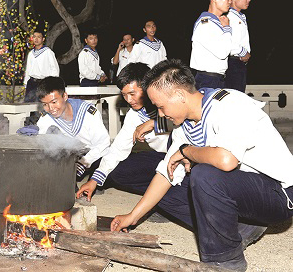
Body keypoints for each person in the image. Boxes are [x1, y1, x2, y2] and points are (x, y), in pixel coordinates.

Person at [111, 59, 293, 271]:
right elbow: (165, 173)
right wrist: (132, 217)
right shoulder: (184, 125)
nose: (160, 115)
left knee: (203, 175)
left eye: (161, 107)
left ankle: (225, 261)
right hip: (244, 191)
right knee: (166, 191)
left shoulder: (228, 104)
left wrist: (186, 151)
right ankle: (240, 228)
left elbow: (227, 160)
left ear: (179, 96)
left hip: (280, 194)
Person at [77, 62, 170, 201]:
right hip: (161, 157)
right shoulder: (134, 115)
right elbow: (118, 148)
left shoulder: (169, 100)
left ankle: (167, 197)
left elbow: (188, 125)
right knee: (116, 172)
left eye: (132, 93)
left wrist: (154, 123)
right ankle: (159, 194)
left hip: (185, 156)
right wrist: (94, 181)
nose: (129, 100)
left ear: (147, 87)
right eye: (124, 95)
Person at [35, 76, 110, 180]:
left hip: (93, 154)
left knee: (105, 170)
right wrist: (30, 134)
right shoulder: (47, 118)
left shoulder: (87, 112)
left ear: (65, 96)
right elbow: (40, 143)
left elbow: (103, 144)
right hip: (71, 157)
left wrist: (83, 162)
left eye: (54, 102)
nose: (51, 109)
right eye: (45, 104)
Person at [190, 0, 247, 89]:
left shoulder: (216, 22)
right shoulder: (205, 23)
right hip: (207, 80)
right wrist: (227, 29)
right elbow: (222, 51)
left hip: (217, 79)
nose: (230, 1)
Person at [225, 0, 252, 92]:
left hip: (238, 64)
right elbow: (228, 42)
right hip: (232, 63)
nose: (249, 0)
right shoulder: (229, 16)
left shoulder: (240, 16)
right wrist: (243, 52)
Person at [23, 30, 60, 102]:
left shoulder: (48, 52)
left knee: (42, 105)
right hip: (32, 83)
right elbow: (28, 69)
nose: (36, 39)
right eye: (34, 37)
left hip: (43, 83)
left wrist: (52, 84)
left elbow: (55, 69)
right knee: (28, 105)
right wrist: (26, 83)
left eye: (39, 37)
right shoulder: (31, 53)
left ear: (43, 39)